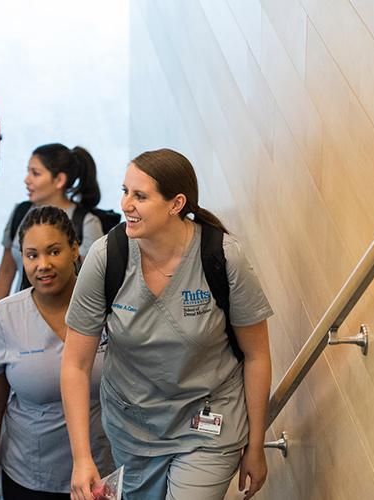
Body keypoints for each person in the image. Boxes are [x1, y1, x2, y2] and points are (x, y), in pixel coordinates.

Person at [61, 149, 274, 499]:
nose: (125, 204)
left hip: (209, 425)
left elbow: (257, 355)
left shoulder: (222, 257)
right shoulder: (106, 257)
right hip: (134, 430)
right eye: (125, 190)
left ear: (176, 204)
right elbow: (75, 363)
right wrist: (81, 457)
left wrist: (256, 444)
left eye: (140, 196)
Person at [0, 206, 113, 499]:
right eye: (32, 255)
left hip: (103, 468)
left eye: (53, 251)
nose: (43, 264)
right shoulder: (3, 318)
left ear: (74, 249)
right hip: (30, 474)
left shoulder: (107, 309)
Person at [0, 144, 104, 302]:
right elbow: (6, 270)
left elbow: (95, 285)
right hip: (23, 316)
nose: (27, 180)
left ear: (59, 180)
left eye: (35, 173)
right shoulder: (20, 212)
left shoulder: (86, 222)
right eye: (28, 171)